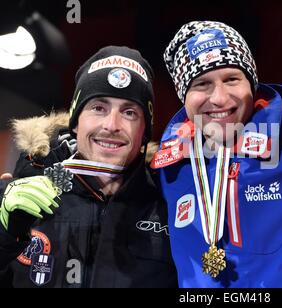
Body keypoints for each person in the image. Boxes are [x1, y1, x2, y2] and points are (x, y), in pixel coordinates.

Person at [151, 21, 282, 287]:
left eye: (232, 79)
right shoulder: (167, 167)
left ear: (252, 83)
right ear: (183, 95)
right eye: (202, 84)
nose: (220, 99)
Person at [0, 46, 178, 287]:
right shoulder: (18, 191)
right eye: (98, 108)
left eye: (129, 112)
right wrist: (5, 234)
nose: (112, 125)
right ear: (75, 121)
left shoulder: (170, 204)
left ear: (145, 131)